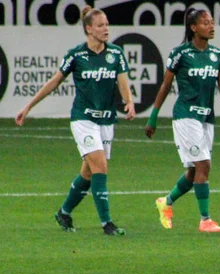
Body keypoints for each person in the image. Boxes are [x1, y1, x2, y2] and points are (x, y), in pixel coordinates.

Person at [15, 6, 135, 236]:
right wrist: (28, 106)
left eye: (107, 24)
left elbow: (122, 81)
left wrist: (128, 101)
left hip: (106, 120)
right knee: (100, 165)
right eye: (100, 25)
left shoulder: (116, 53)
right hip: (83, 119)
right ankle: (107, 223)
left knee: (88, 174)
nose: (106, 29)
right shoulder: (76, 55)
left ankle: (64, 212)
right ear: (89, 29)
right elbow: (54, 82)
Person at [145, 8, 220, 232]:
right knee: (204, 165)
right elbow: (166, 86)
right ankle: (205, 220)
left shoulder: (217, 55)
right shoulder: (181, 53)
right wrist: (153, 117)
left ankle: (165, 202)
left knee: (195, 172)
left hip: (206, 117)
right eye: (205, 23)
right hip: (186, 116)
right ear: (193, 27)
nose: (211, 26)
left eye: (212, 22)